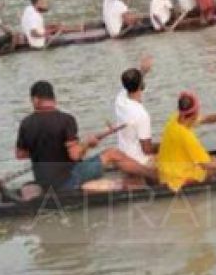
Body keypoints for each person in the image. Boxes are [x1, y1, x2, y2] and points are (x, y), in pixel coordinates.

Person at [15, 81, 155, 192]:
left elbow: (20, 154)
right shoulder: (66, 119)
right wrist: (87, 143)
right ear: (54, 99)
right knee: (113, 154)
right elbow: (75, 155)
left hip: (43, 182)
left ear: (35, 99)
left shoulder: (26, 123)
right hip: (67, 180)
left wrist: (47, 150)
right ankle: (155, 176)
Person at [156, 91, 216, 192]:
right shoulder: (187, 137)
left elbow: (206, 119)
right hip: (178, 180)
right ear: (194, 114)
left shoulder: (175, 118)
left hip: (168, 171)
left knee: (214, 159)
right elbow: (205, 165)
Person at [115, 61, 158, 175]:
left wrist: (142, 71)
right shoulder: (141, 115)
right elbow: (147, 150)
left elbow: (132, 83)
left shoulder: (120, 99)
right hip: (139, 162)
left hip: (124, 155)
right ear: (140, 85)